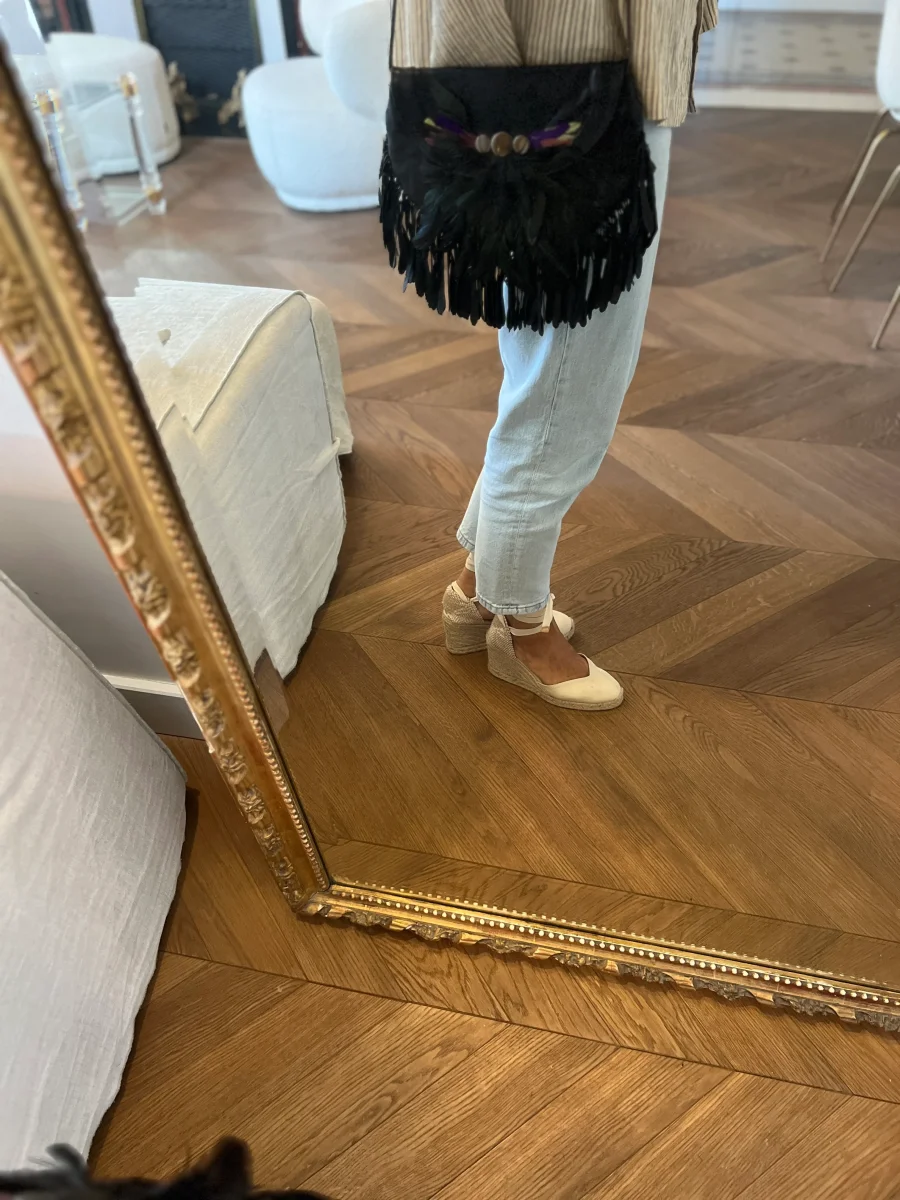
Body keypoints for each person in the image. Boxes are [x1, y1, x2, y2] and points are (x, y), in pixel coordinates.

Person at [396, 0, 720, 710]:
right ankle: (522, 626)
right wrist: (495, 100)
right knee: (569, 385)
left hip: (581, 86)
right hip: (564, 99)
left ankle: (480, 591)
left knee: (549, 371)